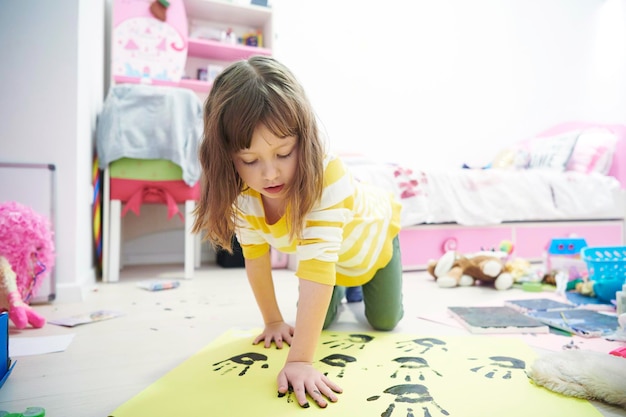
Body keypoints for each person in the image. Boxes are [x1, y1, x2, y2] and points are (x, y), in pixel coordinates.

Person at [192, 55, 404, 408]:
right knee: (325, 323)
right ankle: (346, 291)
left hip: (373, 245)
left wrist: (301, 361)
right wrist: (273, 321)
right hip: (332, 265)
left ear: (303, 140)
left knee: (384, 322)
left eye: (284, 153)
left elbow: (317, 272)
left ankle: (361, 287)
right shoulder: (243, 194)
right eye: (250, 160)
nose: (269, 174)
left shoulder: (326, 177)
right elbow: (257, 258)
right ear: (227, 157)